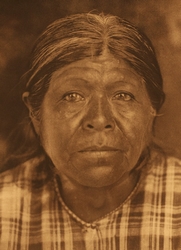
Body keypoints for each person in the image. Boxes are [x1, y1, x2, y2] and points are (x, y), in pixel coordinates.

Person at [0, 12, 181, 250]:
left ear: (152, 109)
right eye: (72, 96)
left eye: (123, 95)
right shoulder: (6, 211)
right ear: (35, 113)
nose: (99, 119)